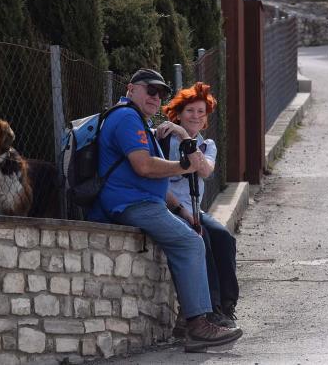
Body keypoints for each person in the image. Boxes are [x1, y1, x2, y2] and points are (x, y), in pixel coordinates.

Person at [87, 68, 242, 351]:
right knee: (191, 243)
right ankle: (197, 325)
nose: (156, 97)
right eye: (150, 90)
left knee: (203, 237)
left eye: (161, 93)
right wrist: (183, 166)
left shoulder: (138, 120)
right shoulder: (126, 118)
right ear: (131, 89)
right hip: (132, 203)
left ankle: (195, 319)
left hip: (143, 201)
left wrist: (183, 204)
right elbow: (144, 166)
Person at [157, 82, 239, 332]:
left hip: (195, 209)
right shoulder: (161, 140)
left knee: (223, 237)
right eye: (190, 111)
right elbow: (159, 185)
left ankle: (227, 306)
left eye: (200, 112)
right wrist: (183, 211)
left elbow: (205, 170)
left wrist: (185, 137)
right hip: (172, 208)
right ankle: (210, 311)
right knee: (202, 240)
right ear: (178, 114)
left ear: (205, 120)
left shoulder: (206, 145)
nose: (195, 116)